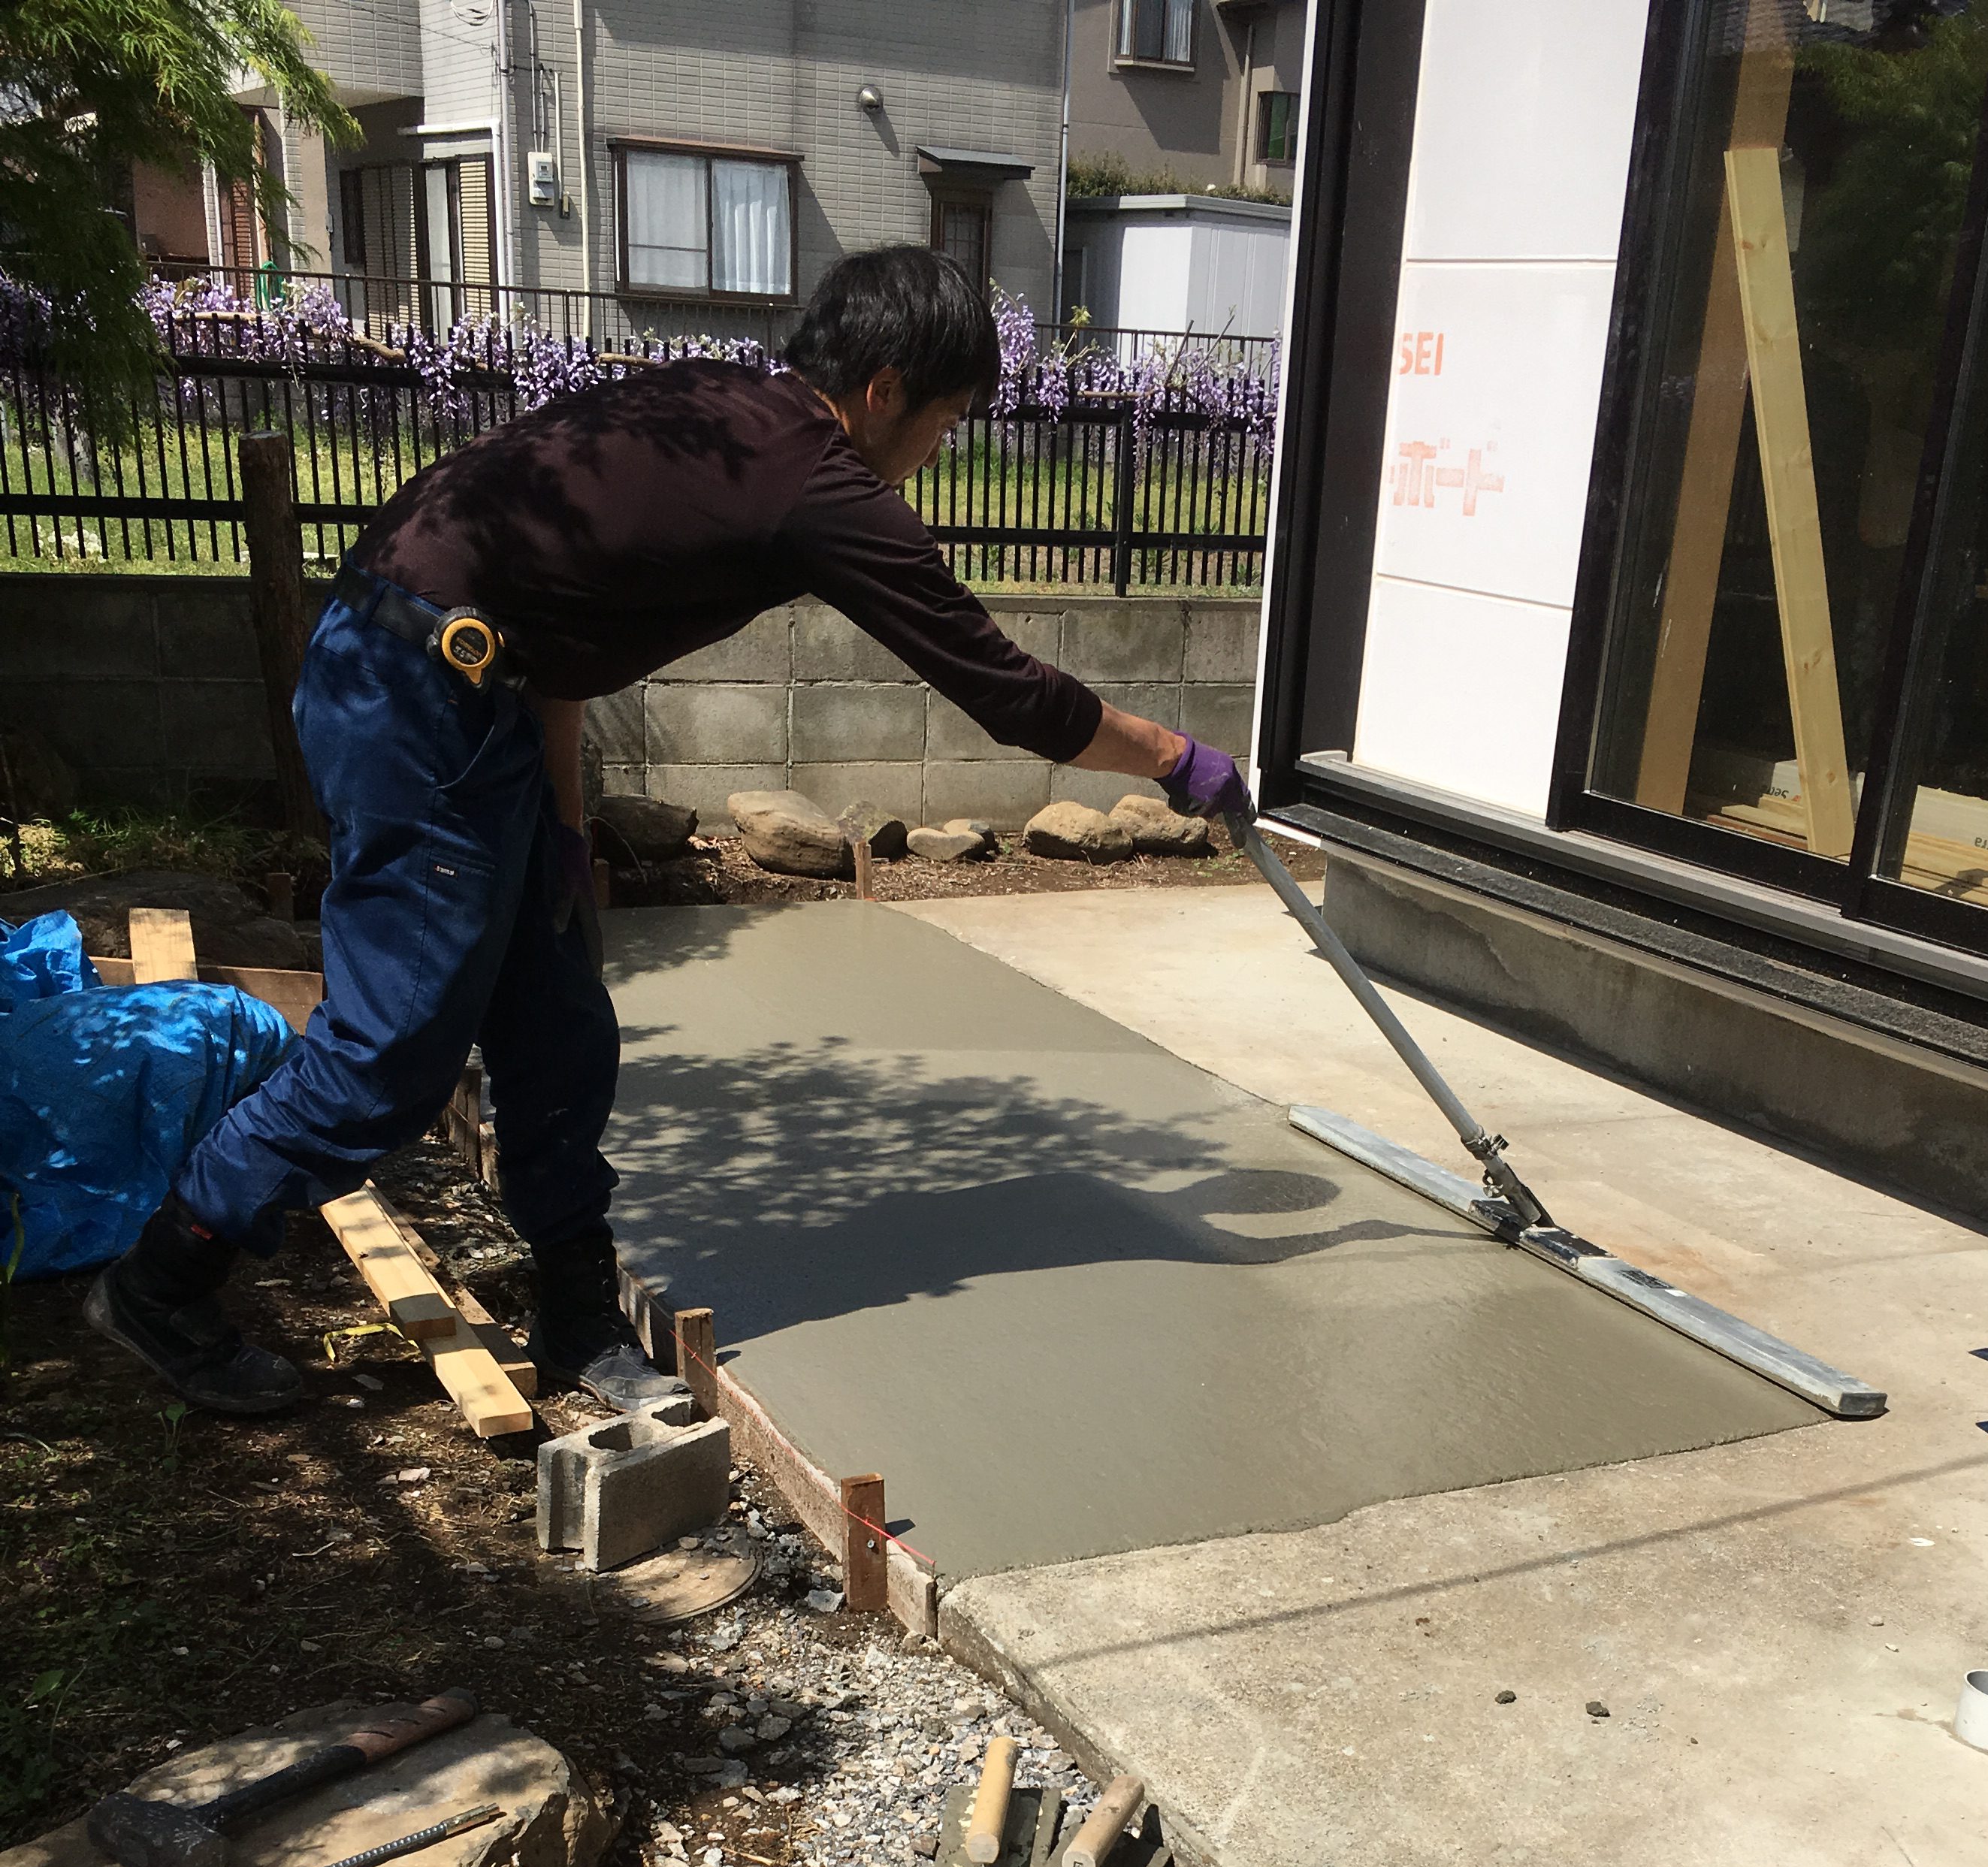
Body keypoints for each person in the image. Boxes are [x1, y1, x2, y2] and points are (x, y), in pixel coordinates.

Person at [87, 246, 1252, 1415]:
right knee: (392, 1048)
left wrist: (563, 831)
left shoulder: (712, 401)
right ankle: (162, 1281)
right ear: (885, 389)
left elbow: (553, 618)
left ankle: (577, 1317)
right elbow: (1004, 691)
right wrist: (1180, 761)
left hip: (449, 675)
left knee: (557, 1019)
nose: (939, 452)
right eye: (946, 421)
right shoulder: (816, 483)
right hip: (415, 696)